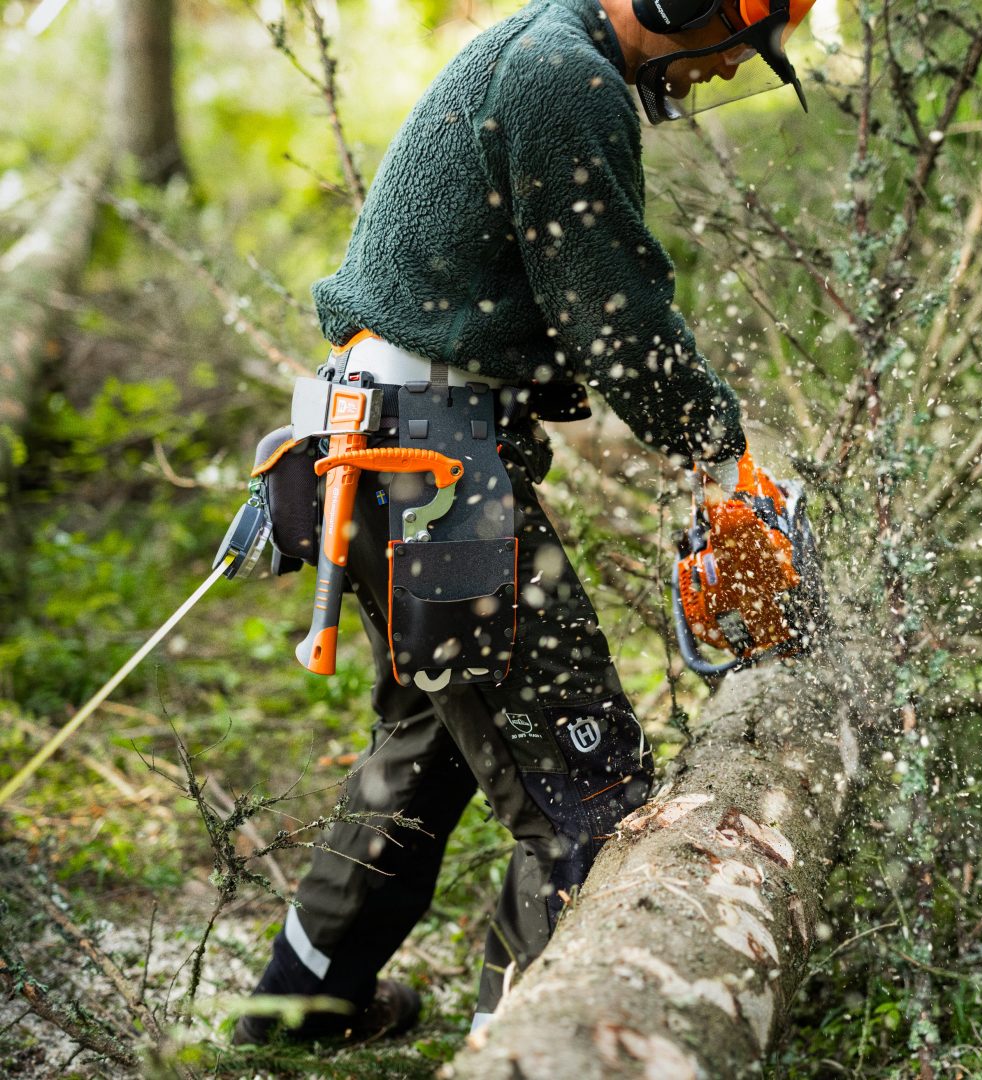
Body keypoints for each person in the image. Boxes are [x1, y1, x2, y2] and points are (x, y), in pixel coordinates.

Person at [232, 0, 814, 1045]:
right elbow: (614, 311)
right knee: (588, 793)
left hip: (385, 440)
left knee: (432, 745)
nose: (731, 70)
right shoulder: (564, 76)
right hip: (429, 464)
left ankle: (297, 1010)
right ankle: (531, 1049)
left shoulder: (546, 49)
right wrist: (721, 456)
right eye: (740, 44)